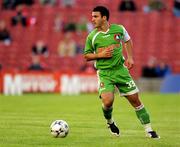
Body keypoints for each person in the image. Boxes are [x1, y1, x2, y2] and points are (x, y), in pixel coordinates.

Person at [84, 6, 160, 138]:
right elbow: (87, 56)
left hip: (120, 70)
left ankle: (149, 130)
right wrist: (100, 54)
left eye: (95, 16)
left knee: (135, 100)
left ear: (104, 17)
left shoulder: (119, 29)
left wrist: (130, 57)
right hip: (104, 73)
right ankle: (110, 122)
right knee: (107, 101)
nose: (92, 19)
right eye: (92, 16)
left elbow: (128, 40)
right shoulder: (92, 36)